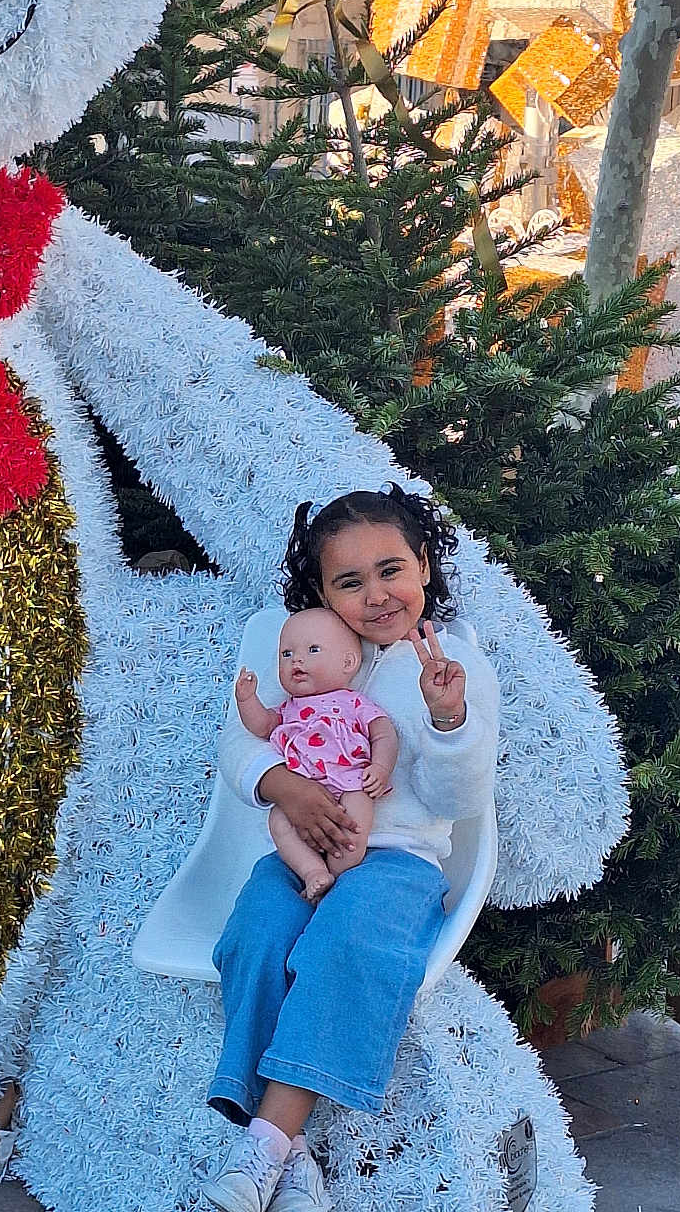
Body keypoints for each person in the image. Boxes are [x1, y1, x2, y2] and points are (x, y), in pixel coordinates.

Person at [200, 487, 500, 1212]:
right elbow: (245, 733)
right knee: (255, 934)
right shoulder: (313, 650)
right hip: (304, 847)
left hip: (399, 861)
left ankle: (264, 1148)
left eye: (392, 569)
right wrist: (280, 785)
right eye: (349, 581)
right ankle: (294, 1158)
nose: (376, 595)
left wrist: (447, 716)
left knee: (342, 946)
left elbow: (460, 803)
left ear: (424, 565)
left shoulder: (452, 667)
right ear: (321, 593)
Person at [234, 606, 399, 904]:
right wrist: (247, 700)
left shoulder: (354, 702)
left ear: (347, 662)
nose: (296, 659)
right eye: (286, 654)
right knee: (279, 821)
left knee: (356, 821)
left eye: (313, 649)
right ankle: (313, 872)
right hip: (302, 787)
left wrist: (381, 767)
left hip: (350, 781)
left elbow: (384, 733)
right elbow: (261, 726)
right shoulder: (287, 707)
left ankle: (340, 870)